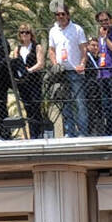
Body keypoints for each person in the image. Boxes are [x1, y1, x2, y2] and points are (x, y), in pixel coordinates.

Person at [47, 7, 88, 137]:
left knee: (80, 103)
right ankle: (70, 132)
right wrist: (55, 65)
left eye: (63, 14)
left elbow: (83, 49)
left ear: (68, 15)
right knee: (65, 104)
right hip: (61, 73)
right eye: (57, 14)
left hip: (75, 71)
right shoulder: (53, 31)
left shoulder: (77, 29)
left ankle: (82, 132)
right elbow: (52, 50)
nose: (60, 17)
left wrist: (82, 64)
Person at [11, 24, 47, 138]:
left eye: (27, 32)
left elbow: (40, 63)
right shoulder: (18, 48)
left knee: (36, 105)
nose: (24, 35)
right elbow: (16, 62)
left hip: (34, 80)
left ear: (31, 34)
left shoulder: (37, 47)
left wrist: (29, 70)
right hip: (23, 82)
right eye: (22, 32)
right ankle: (33, 134)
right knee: (28, 108)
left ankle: (39, 133)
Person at [83, 37, 105, 136]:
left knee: (100, 112)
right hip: (89, 89)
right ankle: (90, 132)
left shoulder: (100, 58)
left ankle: (100, 132)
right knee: (90, 112)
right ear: (88, 46)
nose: (95, 47)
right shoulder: (86, 58)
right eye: (93, 45)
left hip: (100, 89)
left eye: (97, 46)